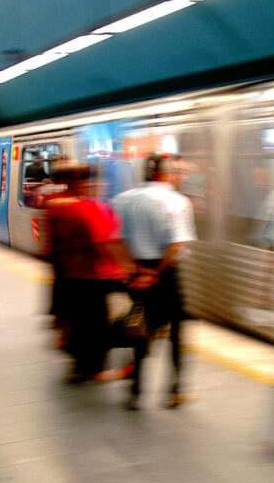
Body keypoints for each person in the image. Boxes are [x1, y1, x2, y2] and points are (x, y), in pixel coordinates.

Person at [113, 153, 197, 410]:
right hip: (165, 274)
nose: (179, 177)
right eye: (176, 172)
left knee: (141, 327)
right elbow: (177, 245)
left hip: (137, 274)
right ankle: (176, 390)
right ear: (165, 173)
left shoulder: (123, 200)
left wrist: (135, 269)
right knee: (176, 332)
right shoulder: (177, 201)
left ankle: (136, 390)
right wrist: (156, 273)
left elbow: (115, 240)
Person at [47, 162, 134, 382]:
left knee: (83, 323)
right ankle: (95, 369)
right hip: (99, 276)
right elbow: (106, 244)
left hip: (71, 277)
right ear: (86, 183)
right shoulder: (92, 208)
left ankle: (81, 365)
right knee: (102, 323)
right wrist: (129, 269)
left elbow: (49, 249)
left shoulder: (55, 208)